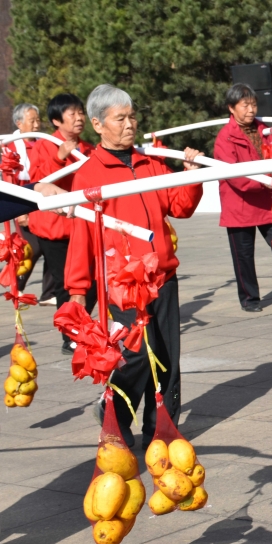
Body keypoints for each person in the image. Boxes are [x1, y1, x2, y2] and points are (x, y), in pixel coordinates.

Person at [66, 84, 204, 449]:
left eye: (132, 116)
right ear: (98, 124)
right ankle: (116, 419)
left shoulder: (151, 162)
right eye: (120, 118)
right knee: (135, 357)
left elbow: (180, 206)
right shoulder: (90, 175)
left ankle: (161, 432)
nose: (130, 124)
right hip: (124, 285)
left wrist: (190, 175)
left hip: (163, 278)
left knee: (168, 360)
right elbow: (82, 237)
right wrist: (78, 292)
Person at [213, 83, 272, 311]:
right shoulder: (225, 138)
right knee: (243, 258)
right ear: (231, 108)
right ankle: (250, 299)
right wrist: (270, 180)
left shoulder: (264, 129)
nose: (251, 109)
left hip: (268, 203)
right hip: (240, 206)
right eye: (245, 105)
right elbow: (237, 179)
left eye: (254, 104)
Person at [27, 93, 95, 350]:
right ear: (57, 120)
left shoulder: (88, 147)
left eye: (81, 112)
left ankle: (82, 324)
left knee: (93, 281)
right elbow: (37, 181)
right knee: (65, 283)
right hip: (54, 228)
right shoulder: (43, 145)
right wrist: (59, 157)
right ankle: (72, 337)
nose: (79, 118)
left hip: (83, 224)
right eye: (72, 113)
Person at [10, 102, 55, 301]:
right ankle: (15, 284)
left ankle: (48, 292)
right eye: (32, 120)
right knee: (32, 247)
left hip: (42, 200)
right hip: (21, 202)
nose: (37, 125)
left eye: (38, 120)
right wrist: (19, 211)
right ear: (19, 123)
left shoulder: (43, 143)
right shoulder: (10, 147)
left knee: (49, 244)